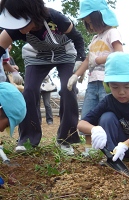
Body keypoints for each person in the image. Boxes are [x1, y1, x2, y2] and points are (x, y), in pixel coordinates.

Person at [0, 0, 86, 155]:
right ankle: (27, 138)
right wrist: (12, 72)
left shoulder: (56, 17)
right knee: (29, 90)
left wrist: (80, 59)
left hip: (64, 54)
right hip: (37, 56)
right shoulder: (15, 29)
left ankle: (66, 139)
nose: (18, 29)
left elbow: (77, 38)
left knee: (68, 88)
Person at [67, 0, 123, 154]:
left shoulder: (112, 33)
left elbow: (119, 54)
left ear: (100, 17)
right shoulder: (94, 39)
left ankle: (109, 147)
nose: (90, 27)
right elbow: (88, 60)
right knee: (87, 114)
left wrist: (98, 60)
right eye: (88, 23)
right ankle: (90, 148)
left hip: (107, 82)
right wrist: (75, 75)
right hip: (92, 83)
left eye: (91, 22)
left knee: (107, 115)